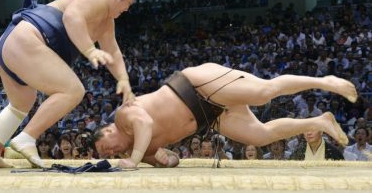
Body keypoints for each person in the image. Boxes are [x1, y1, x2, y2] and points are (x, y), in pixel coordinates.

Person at [0, 0, 143, 168]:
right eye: (129, 2)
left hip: (11, 44)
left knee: (20, 104)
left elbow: (112, 51)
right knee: (72, 90)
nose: (127, 9)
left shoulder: (106, 22)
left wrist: (123, 79)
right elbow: (72, 17)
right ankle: (27, 137)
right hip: (27, 39)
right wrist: (89, 50)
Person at [92, 63, 357, 168]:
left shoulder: (123, 116)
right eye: (109, 155)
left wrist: (135, 160)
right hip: (210, 117)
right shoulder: (140, 148)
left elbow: (145, 122)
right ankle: (319, 121)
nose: (112, 153)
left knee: (263, 92)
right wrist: (161, 157)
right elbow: (171, 162)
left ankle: (326, 81)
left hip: (196, 86)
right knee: (260, 135)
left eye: (106, 148)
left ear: (107, 131)